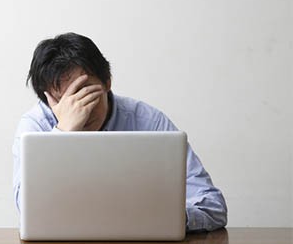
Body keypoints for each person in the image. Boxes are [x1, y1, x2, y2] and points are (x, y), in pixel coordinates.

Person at [12, 32, 228, 232]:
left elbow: (213, 206)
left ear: (107, 82)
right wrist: (63, 133)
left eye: (85, 96)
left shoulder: (147, 121)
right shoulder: (35, 126)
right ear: (48, 100)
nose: (80, 112)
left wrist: (167, 219)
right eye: (66, 103)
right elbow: (29, 211)